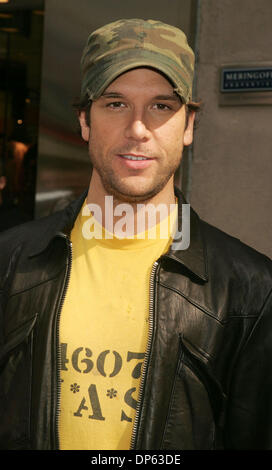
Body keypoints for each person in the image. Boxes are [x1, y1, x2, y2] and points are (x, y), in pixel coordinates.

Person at [0, 18, 272, 451]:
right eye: (116, 104)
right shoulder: (11, 262)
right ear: (85, 120)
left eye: (162, 106)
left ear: (188, 126)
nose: (139, 129)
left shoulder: (251, 290)